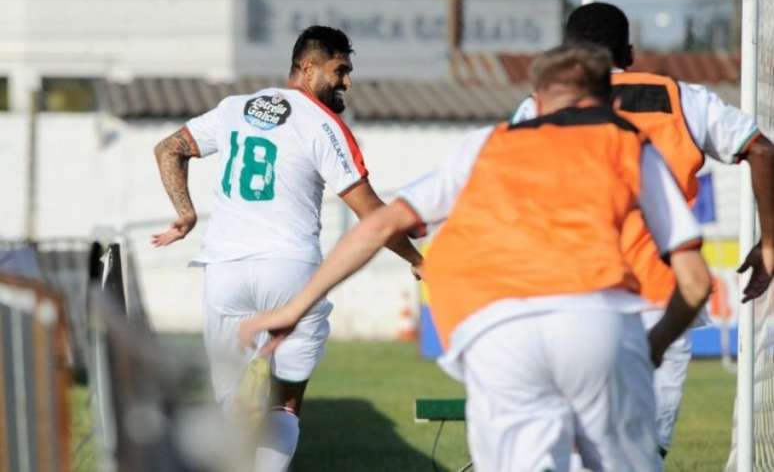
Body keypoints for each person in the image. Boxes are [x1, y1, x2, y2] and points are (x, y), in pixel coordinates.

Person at [237, 44, 712, 471]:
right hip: (595, 321)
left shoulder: (485, 144)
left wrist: (295, 308)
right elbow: (694, 283)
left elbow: (380, 224)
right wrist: (651, 347)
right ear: (607, 98)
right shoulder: (630, 145)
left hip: (496, 330)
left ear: (538, 99)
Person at [151, 25, 423, 472]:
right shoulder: (323, 123)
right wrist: (416, 260)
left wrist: (185, 212)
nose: (347, 82)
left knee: (228, 409)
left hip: (225, 274)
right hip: (289, 273)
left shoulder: (234, 108)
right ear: (308, 67)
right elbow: (373, 214)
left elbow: (169, 148)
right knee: (284, 406)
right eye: (341, 70)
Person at [511, 2, 774, 456]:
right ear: (629, 52)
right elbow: (762, 151)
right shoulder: (679, 98)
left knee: (569, 451)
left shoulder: (541, 106)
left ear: (569, 53)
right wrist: (770, 241)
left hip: (573, 300)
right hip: (663, 304)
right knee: (641, 454)